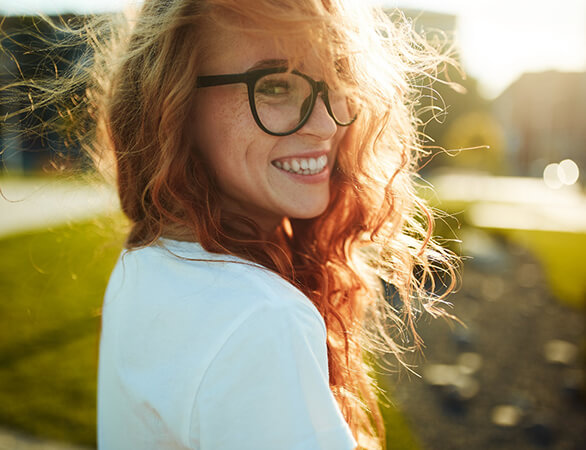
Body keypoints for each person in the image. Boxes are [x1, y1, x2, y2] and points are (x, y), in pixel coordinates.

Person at [79, 0, 456, 448]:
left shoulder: (149, 261)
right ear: (172, 104)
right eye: (276, 86)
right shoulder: (260, 318)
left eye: (338, 80)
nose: (325, 124)